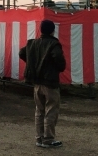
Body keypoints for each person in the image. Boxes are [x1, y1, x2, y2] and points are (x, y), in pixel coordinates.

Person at [19, 19, 66, 149]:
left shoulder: (33, 43)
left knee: (39, 110)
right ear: (52, 30)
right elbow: (59, 59)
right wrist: (58, 67)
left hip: (36, 82)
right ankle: (49, 139)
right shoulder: (53, 43)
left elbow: (21, 53)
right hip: (50, 82)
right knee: (51, 109)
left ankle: (39, 138)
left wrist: (31, 63)